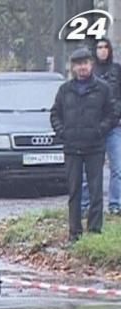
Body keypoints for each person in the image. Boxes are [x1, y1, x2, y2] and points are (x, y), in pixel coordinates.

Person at [51, 47, 117, 243]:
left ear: (91, 65)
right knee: (74, 191)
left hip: (95, 147)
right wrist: (63, 132)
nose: (82, 68)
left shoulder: (103, 89)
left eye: (85, 63)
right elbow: (55, 114)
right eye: (78, 64)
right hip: (72, 148)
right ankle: (74, 233)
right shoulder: (65, 90)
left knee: (96, 190)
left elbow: (112, 113)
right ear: (73, 67)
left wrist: (100, 130)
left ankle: (95, 231)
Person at [81, 38, 121, 216]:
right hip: (93, 127)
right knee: (88, 169)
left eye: (106, 47)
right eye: (99, 47)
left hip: (114, 126)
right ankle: (86, 205)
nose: (103, 50)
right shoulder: (90, 72)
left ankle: (115, 204)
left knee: (117, 168)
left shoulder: (117, 70)